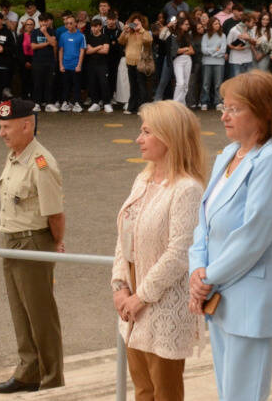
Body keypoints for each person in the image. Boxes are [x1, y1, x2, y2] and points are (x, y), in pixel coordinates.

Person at [188, 71, 272, 401]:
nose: (224, 115)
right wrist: (196, 269)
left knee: (244, 396)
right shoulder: (229, 155)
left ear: (263, 112)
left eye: (234, 109)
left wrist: (208, 277)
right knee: (229, 394)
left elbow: (252, 237)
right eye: (224, 107)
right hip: (222, 298)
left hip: (253, 301)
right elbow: (203, 220)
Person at [110, 100, 205, 401]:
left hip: (162, 300)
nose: (139, 139)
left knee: (164, 391)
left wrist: (142, 295)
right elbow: (125, 236)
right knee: (142, 389)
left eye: (147, 131)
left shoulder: (187, 189)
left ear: (169, 136)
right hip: (133, 292)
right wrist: (119, 286)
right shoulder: (143, 179)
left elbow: (180, 252)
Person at [0, 97, 65, 393]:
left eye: (6, 126)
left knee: (40, 314)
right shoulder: (14, 156)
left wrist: (56, 243)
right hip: (11, 241)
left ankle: (51, 380)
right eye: (0, 126)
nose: (1, 133)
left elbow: (55, 214)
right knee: (20, 312)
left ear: (26, 125)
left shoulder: (41, 163)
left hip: (33, 242)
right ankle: (28, 371)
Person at [119, 14, 153, 115]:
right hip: (130, 62)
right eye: (134, 23)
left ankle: (143, 108)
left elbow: (149, 41)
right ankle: (132, 107)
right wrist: (125, 30)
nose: (136, 25)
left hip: (141, 63)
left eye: (138, 22)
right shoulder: (129, 33)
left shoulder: (145, 33)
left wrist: (141, 29)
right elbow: (120, 41)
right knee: (133, 86)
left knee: (141, 85)